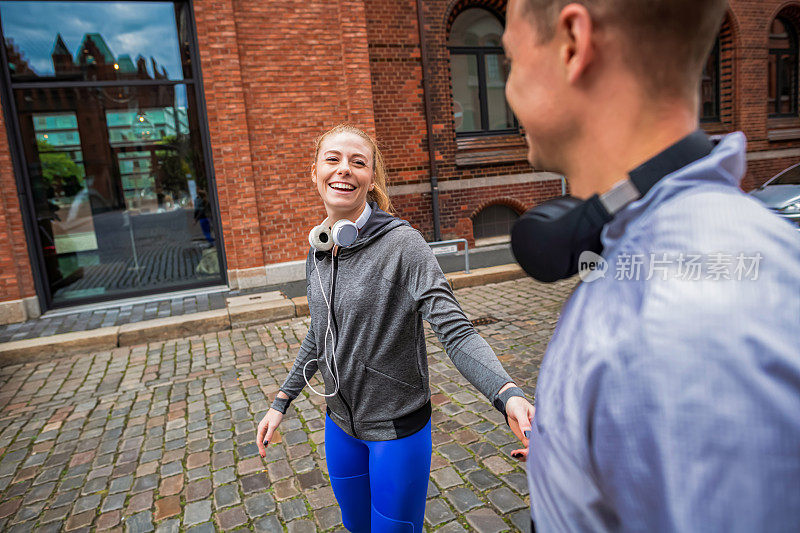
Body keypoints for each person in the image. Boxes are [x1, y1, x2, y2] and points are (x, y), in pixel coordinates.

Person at [502, 0, 800, 530]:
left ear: (572, 43)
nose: (508, 90)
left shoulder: (679, 322)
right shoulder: (674, 271)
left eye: (510, 61)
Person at [255, 124, 536, 532]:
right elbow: (320, 333)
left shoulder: (404, 246)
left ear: (371, 179)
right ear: (314, 171)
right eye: (332, 159)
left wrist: (506, 394)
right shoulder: (318, 249)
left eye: (358, 162)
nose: (344, 170)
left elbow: (456, 331)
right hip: (340, 428)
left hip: (396, 435)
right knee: (356, 528)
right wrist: (281, 401)